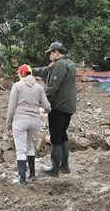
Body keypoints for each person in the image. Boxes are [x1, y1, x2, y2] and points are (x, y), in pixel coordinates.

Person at [32, 42, 77, 177]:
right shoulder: (69, 63)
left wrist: (43, 104)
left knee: (56, 136)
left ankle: (54, 168)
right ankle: (64, 166)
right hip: (68, 107)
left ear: (56, 52)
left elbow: (52, 87)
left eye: (51, 53)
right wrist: (31, 70)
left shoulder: (60, 65)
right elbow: (46, 71)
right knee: (62, 134)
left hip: (59, 107)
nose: (49, 56)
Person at [6, 64, 51, 185]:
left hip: (20, 121)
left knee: (21, 150)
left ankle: (22, 179)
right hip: (34, 121)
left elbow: (11, 107)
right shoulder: (39, 87)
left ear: (21, 74)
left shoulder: (17, 86)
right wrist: (42, 111)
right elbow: (47, 106)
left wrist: (8, 123)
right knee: (29, 145)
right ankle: (32, 174)